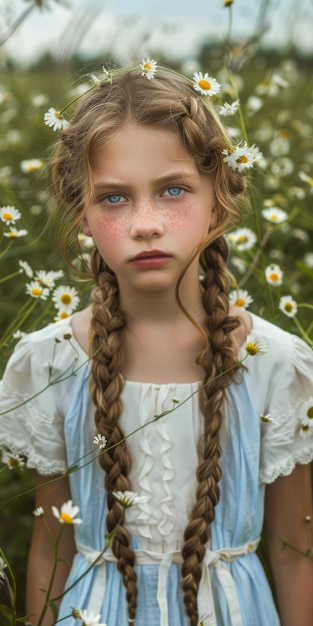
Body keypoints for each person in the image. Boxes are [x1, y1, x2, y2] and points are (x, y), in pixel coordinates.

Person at [0, 65, 312, 626]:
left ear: (218, 200)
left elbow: (294, 557)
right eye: (114, 198)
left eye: (173, 191)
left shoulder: (277, 366)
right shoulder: (50, 363)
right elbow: (53, 546)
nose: (145, 223)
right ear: (84, 217)